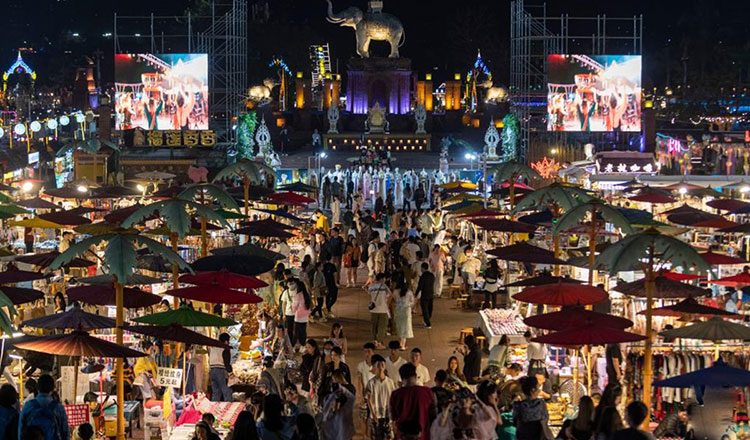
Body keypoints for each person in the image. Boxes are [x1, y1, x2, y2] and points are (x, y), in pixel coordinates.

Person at [390, 363, 436, 440]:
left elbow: (393, 417)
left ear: (401, 378)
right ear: (415, 376)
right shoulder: (427, 392)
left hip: (403, 436)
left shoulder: (396, 394)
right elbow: (433, 415)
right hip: (423, 436)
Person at [18, 374, 68, 440]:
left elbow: (21, 431)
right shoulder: (58, 408)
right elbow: (65, 432)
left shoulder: (28, 406)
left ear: (38, 388)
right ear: (53, 388)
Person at [365, 354, 397, 440]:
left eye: (382, 364)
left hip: (387, 414)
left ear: (385, 366)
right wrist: (373, 413)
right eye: (378, 364)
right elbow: (368, 398)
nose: (380, 366)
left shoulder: (390, 382)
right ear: (375, 366)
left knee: (390, 437)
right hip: (376, 416)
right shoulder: (371, 383)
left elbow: (393, 398)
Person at [317, 369, 356, 440]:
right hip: (349, 416)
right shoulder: (352, 387)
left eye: (333, 379)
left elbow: (335, 404)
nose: (333, 381)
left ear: (336, 378)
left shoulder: (339, 390)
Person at [512, 376, 552, 440]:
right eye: (538, 387)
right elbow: (545, 418)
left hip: (522, 436)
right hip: (538, 436)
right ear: (533, 390)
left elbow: (514, 422)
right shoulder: (540, 404)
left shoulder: (518, 405)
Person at [209, 333, 234, 402]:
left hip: (212, 370)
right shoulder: (225, 348)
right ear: (226, 341)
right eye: (228, 341)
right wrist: (230, 373)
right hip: (220, 371)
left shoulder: (213, 347)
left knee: (216, 392)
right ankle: (228, 408)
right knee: (226, 391)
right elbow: (227, 362)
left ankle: (214, 410)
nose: (229, 342)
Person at [368, 273, 391, 349]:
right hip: (383, 309)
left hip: (373, 309)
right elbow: (390, 295)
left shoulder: (371, 286)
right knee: (382, 326)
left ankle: (374, 341)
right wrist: (386, 303)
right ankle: (379, 343)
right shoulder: (384, 287)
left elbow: (370, 295)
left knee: (374, 326)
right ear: (381, 279)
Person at [292, 279, 312, 351]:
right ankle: (303, 346)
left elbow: (294, 306)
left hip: (298, 316)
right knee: (303, 332)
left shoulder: (297, 295)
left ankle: (293, 346)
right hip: (305, 316)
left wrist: (294, 311)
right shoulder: (307, 295)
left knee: (296, 332)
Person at [414, 263, 436, 329]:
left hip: (424, 295)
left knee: (425, 309)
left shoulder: (423, 276)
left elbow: (420, 287)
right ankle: (427, 320)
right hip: (431, 294)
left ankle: (428, 323)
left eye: (421, 268)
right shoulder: (432, 275)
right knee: (429, 308)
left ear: (423, 268)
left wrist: (415, 294)